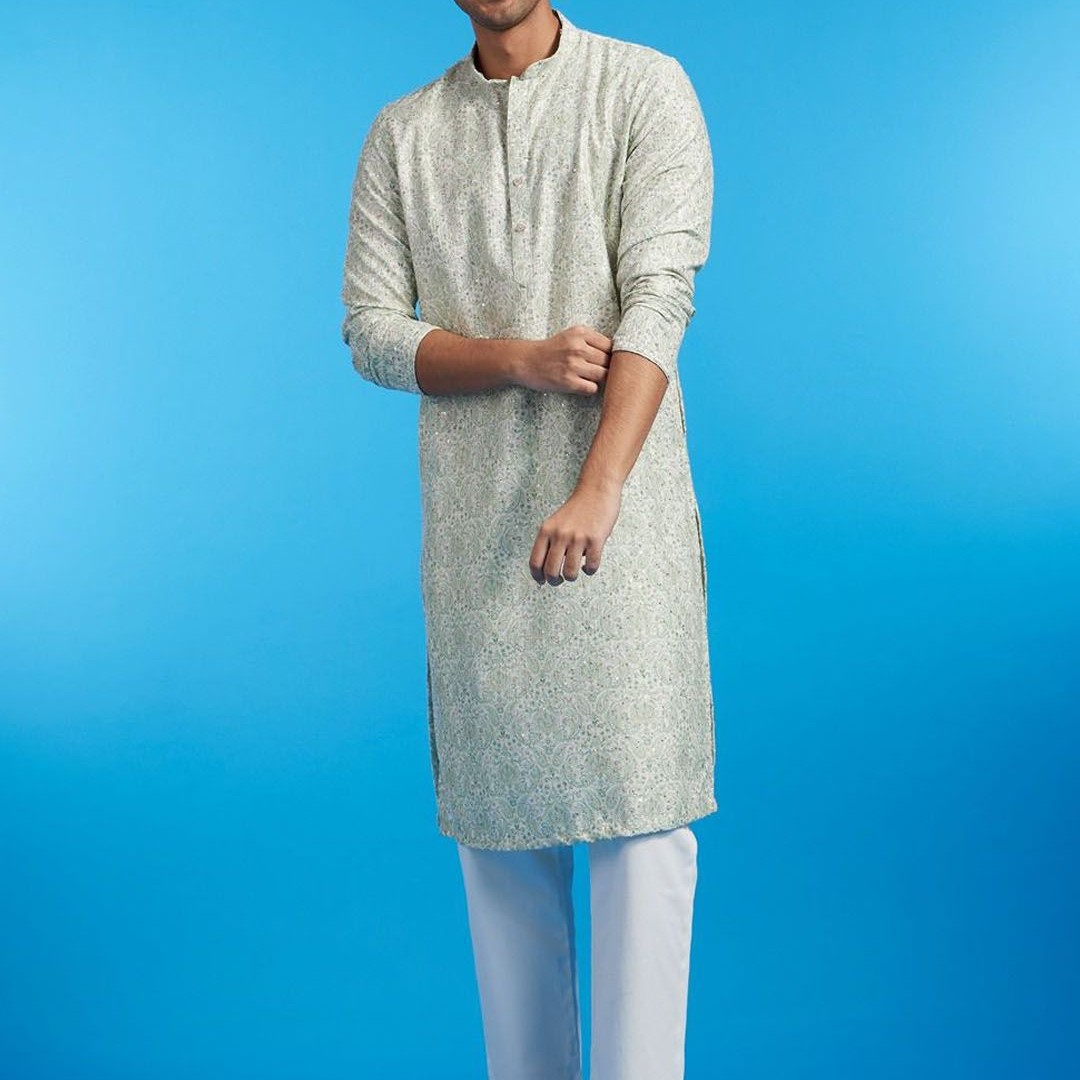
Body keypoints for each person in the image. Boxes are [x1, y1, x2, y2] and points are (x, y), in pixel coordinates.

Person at [340, 4, 716, 1076]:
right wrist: (517, 357)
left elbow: (659, 298)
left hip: (624, 533)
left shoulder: (643, 87)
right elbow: (370, 329)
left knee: (644, 831)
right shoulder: (405, 133)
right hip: (478, 540)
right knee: (500, 848)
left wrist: (600, 488)